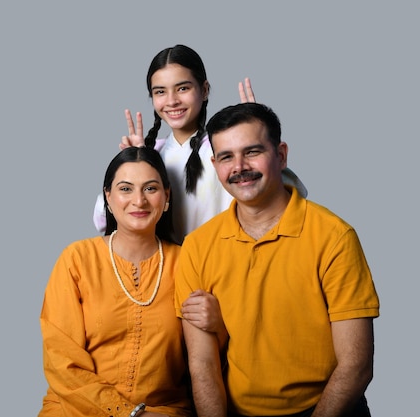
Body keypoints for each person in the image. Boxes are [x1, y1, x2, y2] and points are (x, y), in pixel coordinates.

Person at [175, 103, 380, 417]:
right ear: (215, 165)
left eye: (252, 151)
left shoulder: (334, 237)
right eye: (226, 157)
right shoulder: (197, 246)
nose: (239, 167)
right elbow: (202, 365)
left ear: (281, 155)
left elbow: (356, 365)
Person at [38, 146, 224, 417]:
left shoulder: (187, 262)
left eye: (150, 188)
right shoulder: (76, 259)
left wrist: (219, 325)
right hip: (75, 409)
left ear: (166, 196)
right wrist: (132, 414)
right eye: (126, 189)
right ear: (108, 197)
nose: (139, 201)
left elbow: (208, 356)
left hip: (163, 411)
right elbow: (62, 362)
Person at [93, 44, 307, 243]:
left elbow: (287, 197)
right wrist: (134, 163)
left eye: (183, 88)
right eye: (160, 91)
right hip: (166, 271)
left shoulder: (225, 150)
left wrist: (255, 138)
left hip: (224, 263)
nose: (172, 100)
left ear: (204, 90)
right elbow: (105, 219)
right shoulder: (153, 153)